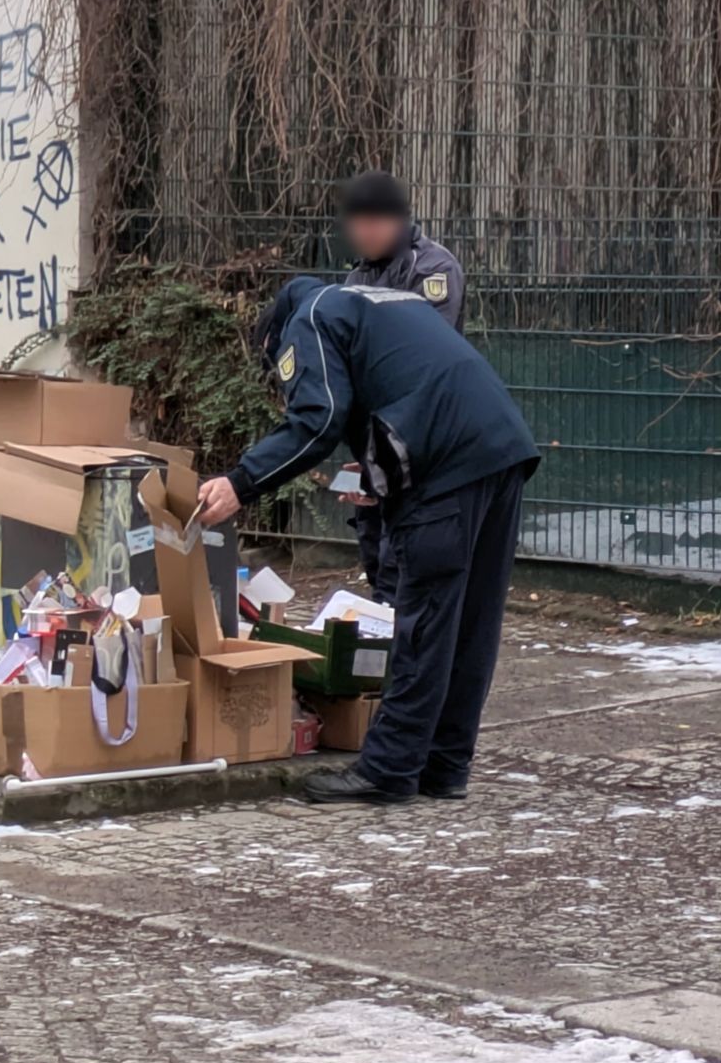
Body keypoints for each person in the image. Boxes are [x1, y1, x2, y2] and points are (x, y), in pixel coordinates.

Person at [196, 278, 539, 805]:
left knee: (423, 614)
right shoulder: (371, 300)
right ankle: (444, 766)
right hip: (501, 448)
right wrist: (380, 473)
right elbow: (410, 383)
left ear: (273, 340)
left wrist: (241, 482)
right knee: (472, 619)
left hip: (446, 463)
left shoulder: (306, 320)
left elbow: (319, 419)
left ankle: (389, 769)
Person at [331, 170, 465, 610]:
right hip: (378, 436)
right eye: (358, 223)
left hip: (424, 437)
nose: (364, 232)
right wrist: (367, 458)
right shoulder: (356, 280)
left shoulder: (434, 269)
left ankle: (405, 659)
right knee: (374, 552)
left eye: (374, 222)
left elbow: (420, 361)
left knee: (403, 565)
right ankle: (382, 658)